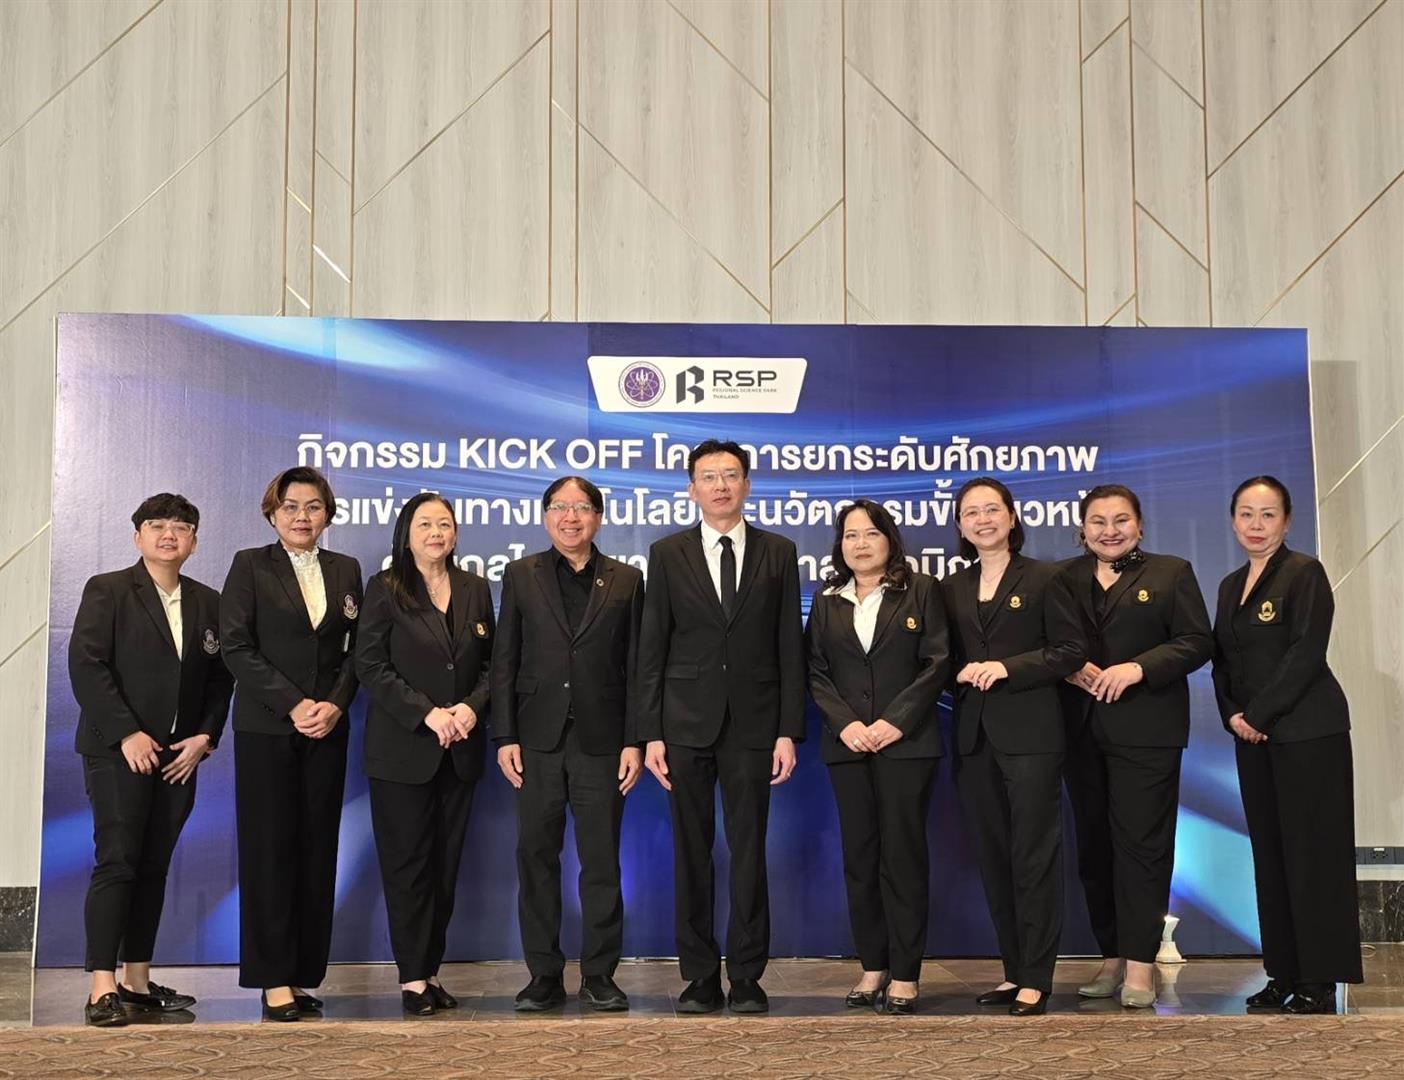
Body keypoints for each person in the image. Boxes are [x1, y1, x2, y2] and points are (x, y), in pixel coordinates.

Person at [638, 438, 805, 1014]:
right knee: (692, 853)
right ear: (692, 489)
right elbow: (652, 646)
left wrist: (788, 730)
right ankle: (700, 976)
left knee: (750, 852)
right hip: (684, 725)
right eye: (708, 476)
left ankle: (749, 976)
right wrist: (651, 732)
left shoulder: (778, 551)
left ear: (747, 485)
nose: (720, 485)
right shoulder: (668, 553)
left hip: (755, 726)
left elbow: (789, 646)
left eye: (731, 475)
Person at [69, 493, 234, 1027]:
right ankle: (102, 987)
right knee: (118, 861)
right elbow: (87, 666)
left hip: (178, 758)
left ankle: (137, 982)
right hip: (119, 753)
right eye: (157, 525)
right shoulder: (109, 590)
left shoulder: (209, 601)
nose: (169, 535)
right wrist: (127, 733)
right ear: (137, 536)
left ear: (194, 542)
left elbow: (221, 679)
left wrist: (204, 736)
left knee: (154, 866)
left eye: (181, 528)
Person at [491, 476, 645, 1013]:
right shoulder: (521, 575)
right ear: (545, 516)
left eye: (581, 508)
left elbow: (637, 667)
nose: (570, 517)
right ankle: (543, 975)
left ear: (598, 518)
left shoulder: (627, 580)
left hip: (603, 742)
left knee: (601, 861)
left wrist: (634, 741)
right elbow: (505, 659)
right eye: (560, 507)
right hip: (536, 740)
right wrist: (505, 735)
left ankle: (600, 974)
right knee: (536, 857)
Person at [1057, 483, 1212, 1008]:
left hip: (1148, 731)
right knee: (1094, 848)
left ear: (1139, 526)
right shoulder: (1062, 578)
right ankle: (1112, 956)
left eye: (1121, 520)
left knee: (1143, 848)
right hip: (1080, 731)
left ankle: (1142, 965)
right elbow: (1047, 644)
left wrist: (1138, 668)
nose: (1110, 530)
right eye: (1098, 521)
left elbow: (1196, 641)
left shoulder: (1171, 572)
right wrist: (1069, 668)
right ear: (1082, 529)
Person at [1212, 476, 1362, 1014]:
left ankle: (1319, 980)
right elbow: (1222, 659)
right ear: (1233, 520)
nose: (1256, 525)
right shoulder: (1230, 584)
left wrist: (1258, 715)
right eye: (1246, 514)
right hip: (1253, 739)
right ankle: (1283, 973)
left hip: (1307, 734)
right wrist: (1233, 715)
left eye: (1268, 514)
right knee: (1271, 857)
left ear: (1287, 520)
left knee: (1312, 856)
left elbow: (1306, 653)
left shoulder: (1304, 573)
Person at [220, 467, 362, 1021]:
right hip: (269, 729)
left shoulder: (346, 568)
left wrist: (335, 704)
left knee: (316, 850)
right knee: (270, 852)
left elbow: (357, 650)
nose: (302, 517)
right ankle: (272, 978)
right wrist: (294, 703)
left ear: (328, 513)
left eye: (313, 506)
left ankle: (303, 973)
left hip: (327, 729)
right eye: (291, 507)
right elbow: (236, 646)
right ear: (272, 513)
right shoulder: (250, 565)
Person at [941, 478, 1085, 1017]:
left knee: (1034, 855)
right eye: (971, 513)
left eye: (991, 510)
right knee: (994, 855)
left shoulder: (1046, 578)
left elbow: (1070, 651)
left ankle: (1037, 978)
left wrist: (1007, 668)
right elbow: (938, 660)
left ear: (1011, 517)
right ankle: (1013, 969)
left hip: (1031, 735)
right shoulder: (951, 587)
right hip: (973, 737)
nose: (983, 520)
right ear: (960, 525)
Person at [806, 500, 949, 1014]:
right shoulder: (827, 599)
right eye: (850, 535)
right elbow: (815, 669)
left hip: (906, 745)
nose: (860, 544)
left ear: (890, 539)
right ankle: (873, 965)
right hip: (848, 746)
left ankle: (906, 973)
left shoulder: (922, 589)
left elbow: (938, 661)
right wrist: (846, 724)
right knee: (860, 858)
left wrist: (896, 721)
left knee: (902, 858)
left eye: (870, 533)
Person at [356, 492, 494, 1015]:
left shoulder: (475, 588)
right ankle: (412, 977)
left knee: (444, 866)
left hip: (460, 749)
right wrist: (427, 713)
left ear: (456, 533)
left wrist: (470, 709)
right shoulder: (385, 588)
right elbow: (371, 665)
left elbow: (493, 664)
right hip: (403, 750)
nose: (436, 533)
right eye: (425, 524)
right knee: (408, 867)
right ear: (406, 534)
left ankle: (431, 970)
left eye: (444, 524)